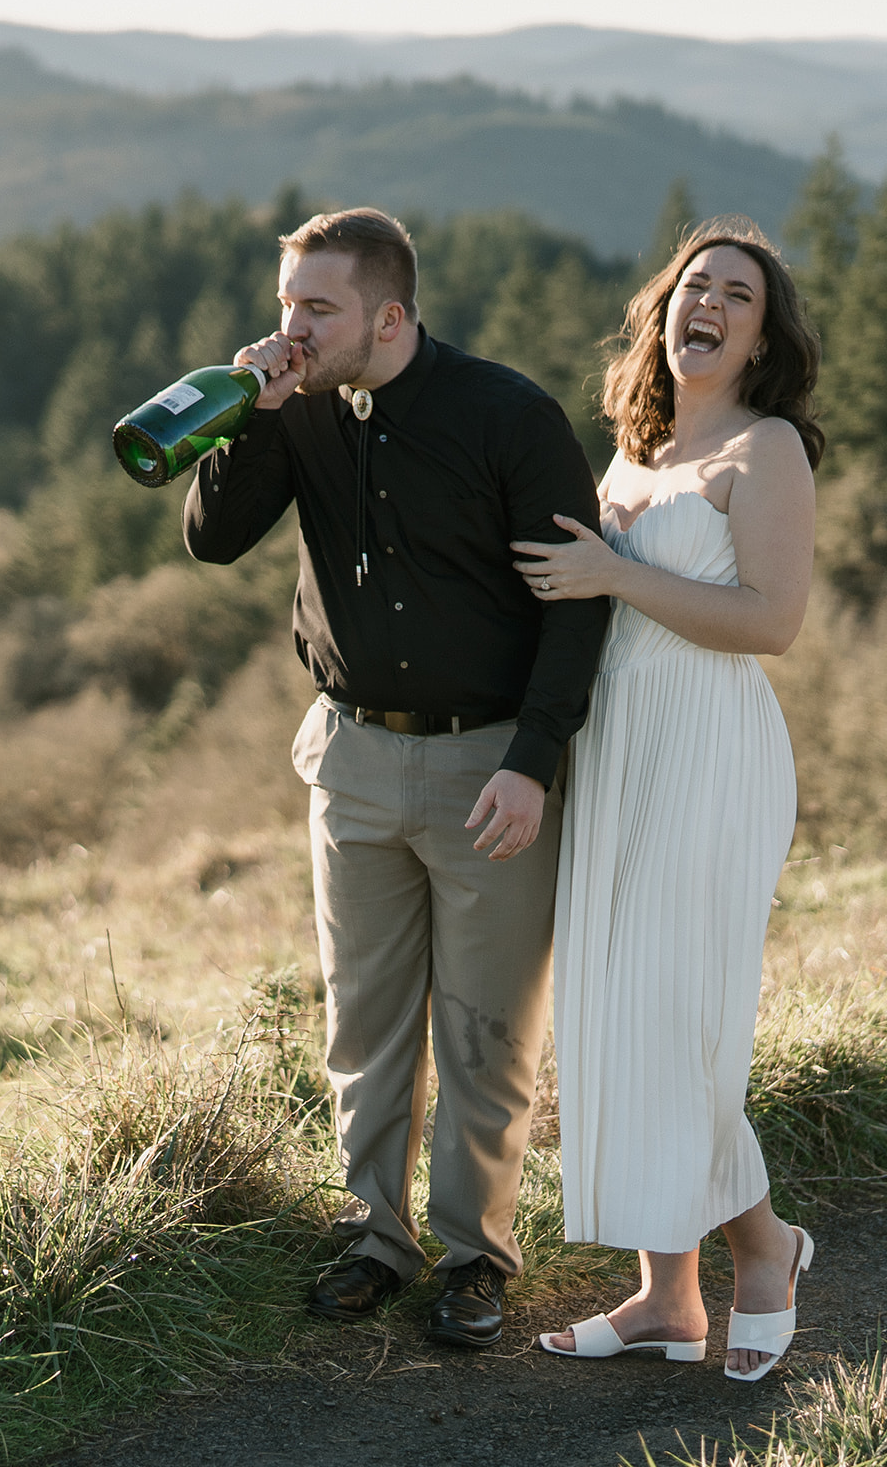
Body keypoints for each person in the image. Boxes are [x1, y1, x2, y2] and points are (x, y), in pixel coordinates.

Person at [183, 207, 609, 1347]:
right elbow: (213, 538)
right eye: (286, 306)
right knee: (364, 1020)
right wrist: (255, 417)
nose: (292, 329)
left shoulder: (507, 415)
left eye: (316, 310)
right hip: (353, 756)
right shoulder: (292, 407)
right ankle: (376, 1237)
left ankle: (476, 1257)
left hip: (489, 764)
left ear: (389, 312)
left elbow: (581, 602)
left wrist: (533, 764)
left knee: (484, 1028)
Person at [512, 217, 824, 1381]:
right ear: (662, 311)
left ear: (759, 335)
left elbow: (771, 623)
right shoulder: (631, 449)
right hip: (619, 745)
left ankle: (766, 1246)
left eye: (737, 296)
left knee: (679, 1020)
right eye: (696, 286)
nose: (711, 305)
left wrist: (613, 572)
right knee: (615, 1013)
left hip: (709, 747)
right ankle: (665, 1298)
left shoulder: (767, 449)